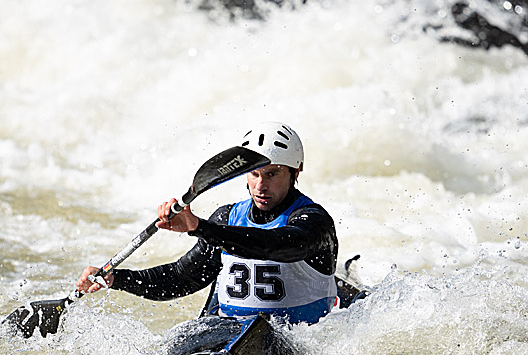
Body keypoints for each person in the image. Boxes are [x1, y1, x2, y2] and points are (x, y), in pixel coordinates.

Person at [75, 122, 340, 325]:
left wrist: (199, 227)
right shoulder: (227, 218)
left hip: (297, 337)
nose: (261, 186)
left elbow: (276, 246)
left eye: (272, 174)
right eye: (254, 174)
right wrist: (116, 278)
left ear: (296, 171)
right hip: (230, 335)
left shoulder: (315, 222)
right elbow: (181, 278)